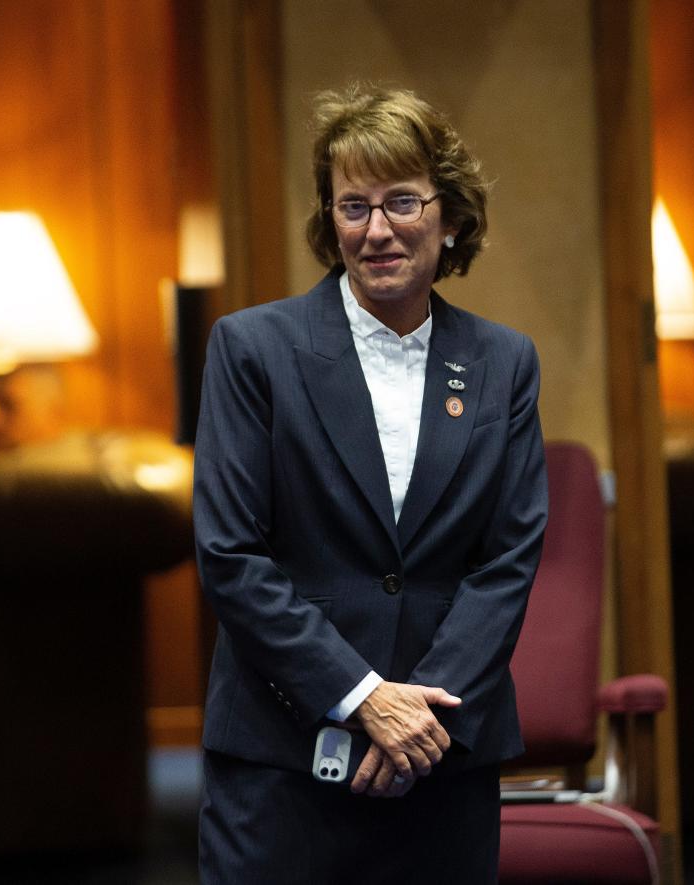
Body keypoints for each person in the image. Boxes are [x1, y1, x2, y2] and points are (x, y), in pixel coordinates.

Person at [193, 83, 547, 884]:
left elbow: (507, 559)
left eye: (402, 202)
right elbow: (231, 556)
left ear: (449, 216)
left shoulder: (504, 362)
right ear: (331, 221)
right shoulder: (252, 350)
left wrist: (421, 714)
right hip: (285, 763)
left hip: (442, 764)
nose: (377, 230)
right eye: (353, 206)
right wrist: (361, 696)